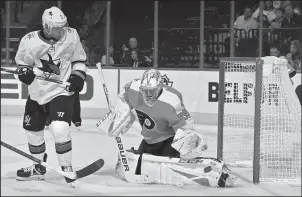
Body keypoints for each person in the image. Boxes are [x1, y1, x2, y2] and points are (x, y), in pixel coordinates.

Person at [98, 69, 237, 187]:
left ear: (159, 87)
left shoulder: (171, 100)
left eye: (151, 91)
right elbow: (122, 97)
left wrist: (189, 143)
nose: (148, 95)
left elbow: (186, 124)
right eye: (145, 91)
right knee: (140, 166)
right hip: (148, 140)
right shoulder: (133, 89)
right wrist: (119, 114)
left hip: (168, 141)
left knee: (172, 166)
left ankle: (215, 173)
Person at [14, 6, 88, 185]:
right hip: (37, 94)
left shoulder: (71, 35)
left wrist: (78, 76)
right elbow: (22, 65)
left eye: (63, 26)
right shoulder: (29, 41)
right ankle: (38, 167)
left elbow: (79, 60)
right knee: (32, 132)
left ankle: (66, 167)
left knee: (59, 128)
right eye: (57, 27)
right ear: (46, 27)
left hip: (61, 92)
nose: (61, 30)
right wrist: (25, 73)